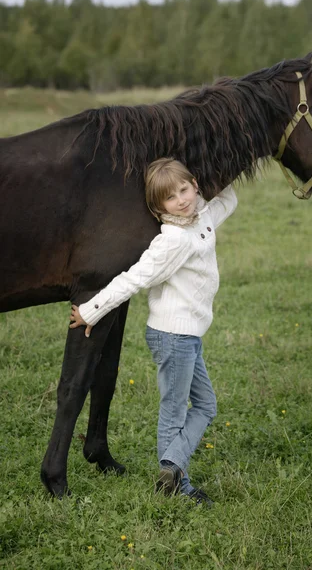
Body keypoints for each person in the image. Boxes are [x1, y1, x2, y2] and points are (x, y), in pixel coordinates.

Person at [70, 157, 237, 506]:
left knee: (206, 405)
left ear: (194, 184)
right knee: (174, 410)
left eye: (185, 189)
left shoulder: (199, 218)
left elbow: (227, 201)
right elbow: (134, 279)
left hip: (189, 335)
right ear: (159, 208)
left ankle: (172, 466)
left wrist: (228, 166)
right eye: (171, 198)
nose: (182, 199)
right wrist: (90, 311)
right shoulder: (172, 240)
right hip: (172, 336)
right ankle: (176, 481)